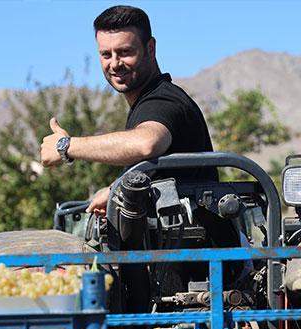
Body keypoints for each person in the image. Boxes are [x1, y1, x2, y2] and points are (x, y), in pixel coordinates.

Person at [39, 5, 217, 215]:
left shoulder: (164, 100)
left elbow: (146, 143)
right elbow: (160, 174)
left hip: (200, 246)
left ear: (150, 48)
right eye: (106, 54)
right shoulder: (146, 104)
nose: (114, 64)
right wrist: (116, 189)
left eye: (125, 52)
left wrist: (66, 146)